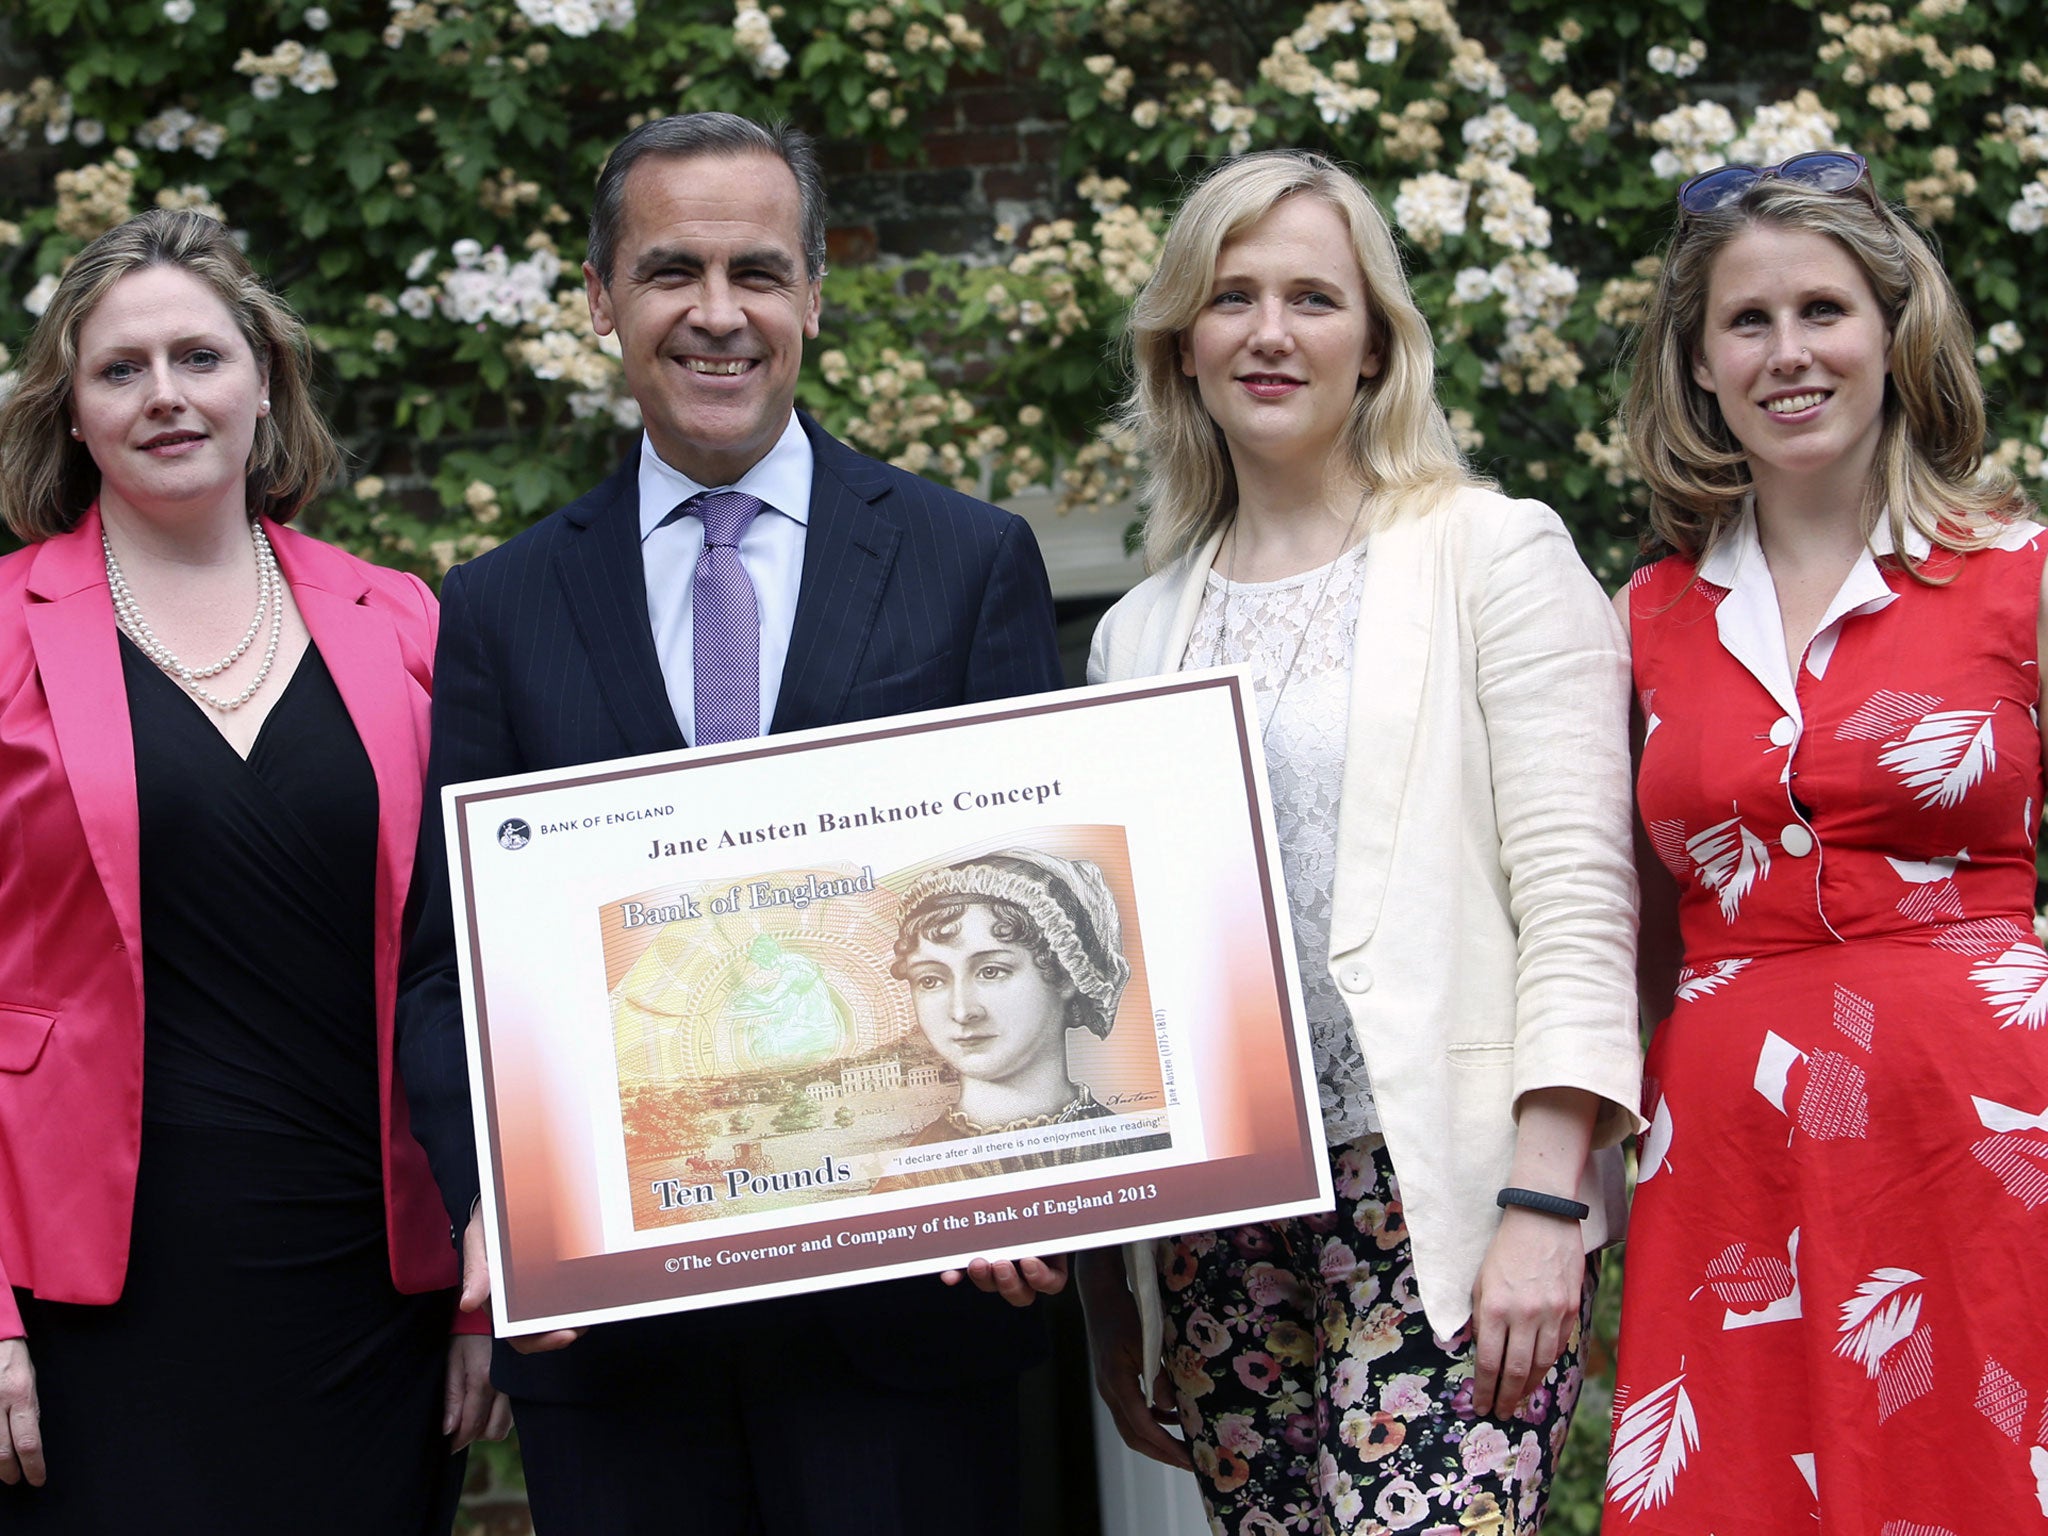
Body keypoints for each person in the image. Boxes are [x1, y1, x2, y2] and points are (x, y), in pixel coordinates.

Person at [395, 113, 1069, 1535]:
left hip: (911, 1317)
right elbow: (445, 975)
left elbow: (1027, 888)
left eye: (758, 271)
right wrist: (494, 1197)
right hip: (620, 1343)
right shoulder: (499, 608)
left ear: (814, 296)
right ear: (603, 301)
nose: (718, 314)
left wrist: (1036, 1178)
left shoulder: (967, 563)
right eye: (670, 271)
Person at [1079, 149, 1643, 1534]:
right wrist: (1113, 1296)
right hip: (1219, 1232)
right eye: (1233, 298)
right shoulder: (1131, 635)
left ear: (1378, 344)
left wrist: (1544, 1200)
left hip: (1449, 1198)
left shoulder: (1495, 554)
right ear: (1186, 345)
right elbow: (1109, 983)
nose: (1271, 333)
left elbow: (1577, 897)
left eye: (1314, 298)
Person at [0, 208, 505, 1531]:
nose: (167, 395)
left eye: (199, 357)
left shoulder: (397, 617)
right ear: (70, 411)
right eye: (121, 369)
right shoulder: (4, 633)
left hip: (370, 1281)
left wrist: (478, 1276)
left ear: (264, 383)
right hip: (92, 1296)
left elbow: (465, 960)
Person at [1605, 151, 2048, 1531]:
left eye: (1824, 311)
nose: (1789, 353)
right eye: (1748, 321)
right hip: (1730, 1146)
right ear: (1700, 366)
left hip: (1989, 1133)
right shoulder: (1644, 619)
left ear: (1892, 333)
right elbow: (1632, 924)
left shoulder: (2020, 575)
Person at [886, 850, 1168, 1180]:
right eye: (930, 980)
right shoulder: (906, 1182)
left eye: (991, 971)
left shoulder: (1142, 1150)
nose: (962, 1011)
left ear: (1066, 974)